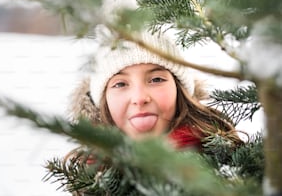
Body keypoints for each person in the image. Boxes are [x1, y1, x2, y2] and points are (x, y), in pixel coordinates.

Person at [69, 27, 244, 151]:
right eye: (120, 84)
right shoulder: (90, 179)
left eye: (156, 79)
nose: (139, 98)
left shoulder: (227, 163)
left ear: (179, 89)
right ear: (103, 100)